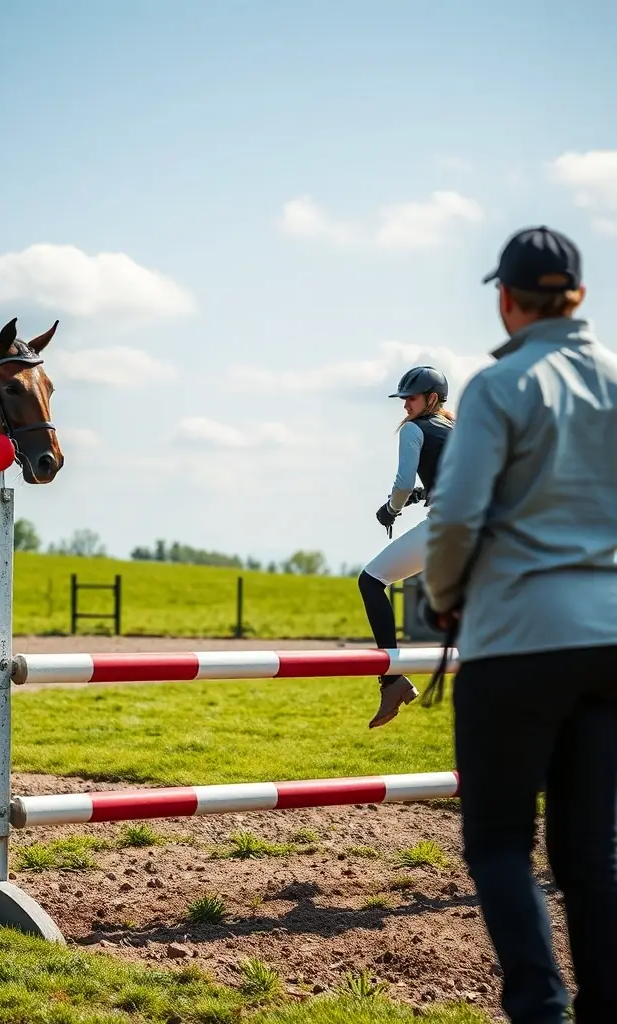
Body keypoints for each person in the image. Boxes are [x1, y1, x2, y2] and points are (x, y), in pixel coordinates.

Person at [422, 225, 617, 1023]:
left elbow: (456, 517)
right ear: (577, 295)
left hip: (519, 645)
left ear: (506, 300)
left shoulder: (500, 387)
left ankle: (540, 1009)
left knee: (501, 841)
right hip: (609, 643)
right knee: (593, 855)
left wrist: (442, 592)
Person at [358, 365, 455, 729]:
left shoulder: (414, 430)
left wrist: (392, 508)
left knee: (371, 581)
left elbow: (401, 481)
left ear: (431, 398)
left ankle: (392, 680)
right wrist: (422, 493)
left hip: (448, 528)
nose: (404, 407)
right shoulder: (455, 428)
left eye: (410, 399)